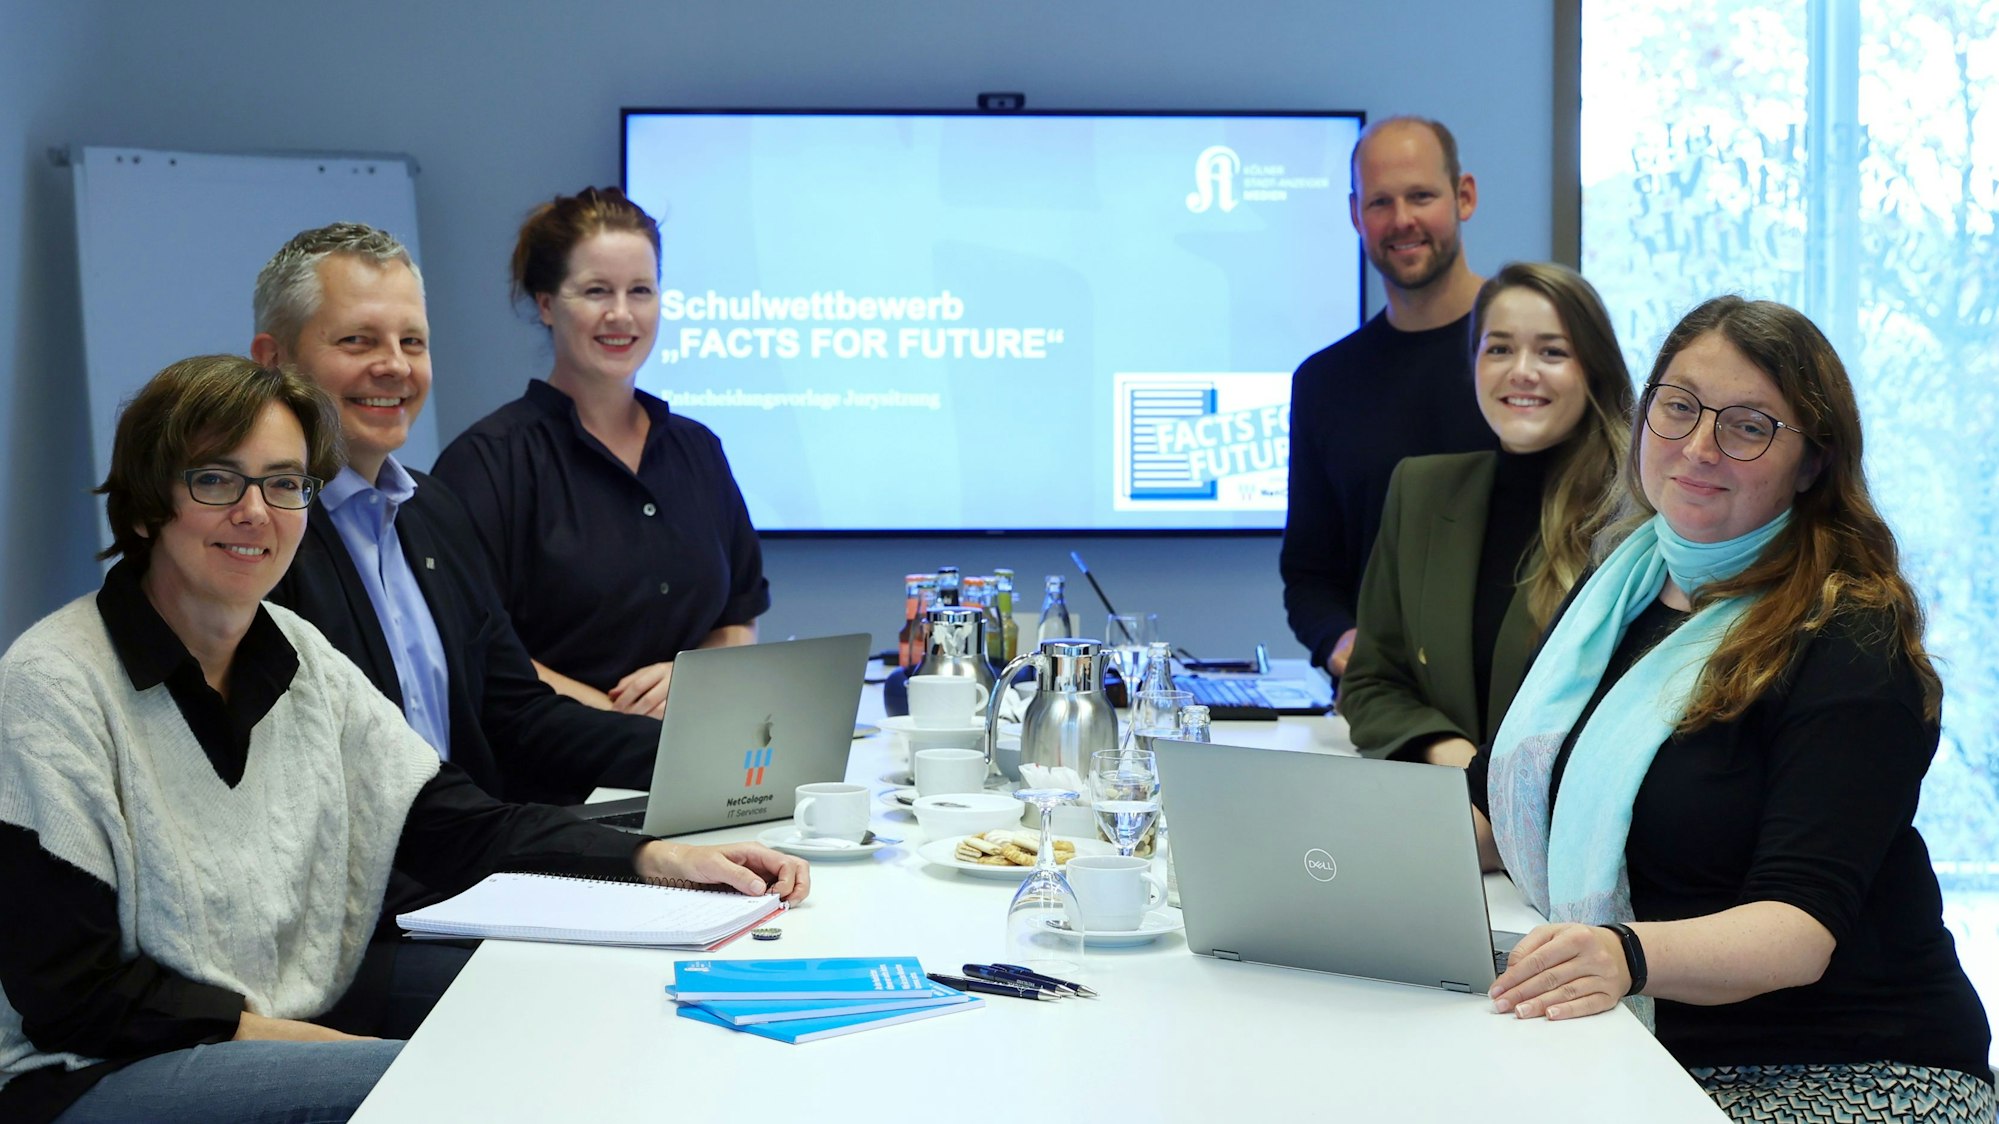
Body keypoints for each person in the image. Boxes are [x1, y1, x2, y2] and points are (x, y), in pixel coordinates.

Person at [0, 356, 808, 1124]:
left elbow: (457, 822)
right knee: (446, 1086)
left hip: (290, 1000)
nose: (256, 511)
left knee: (581, 989)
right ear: (147, 503)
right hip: (89, 1068)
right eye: (216, 479)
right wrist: (344, 1049)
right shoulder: (54, 686)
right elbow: (82, 998)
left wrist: (657, 858)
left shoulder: (296, 655)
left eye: (285, 483)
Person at [1470, 298, 1993, 1121]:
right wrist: (1343, 863)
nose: (1697, 447)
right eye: (1677, 408)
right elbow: (1502, 803)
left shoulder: (1851, 638)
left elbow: (1795, 931)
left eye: (1747, 426)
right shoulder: (1618, 593)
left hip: (1842, 1066)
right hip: (1644, 1044)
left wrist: (1622, 954)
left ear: (1813, 462)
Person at [252, 223, 658, 806]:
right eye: (358, 341)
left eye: (412, 342)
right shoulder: (254, 533)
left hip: (465, 869)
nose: (395, 366)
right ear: (274, 359)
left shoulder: (434, 510)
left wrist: (687, 752)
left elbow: (517, 715)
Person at [433, 187, 768, 720]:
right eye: (595, 291)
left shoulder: (698, 450)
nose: (622, 314)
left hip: (694, 760)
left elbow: (739, 611)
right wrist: (617, 718)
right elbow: (477, 645)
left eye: (640, 290)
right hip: (555, 780)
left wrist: (694, 682)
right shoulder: (488, 463)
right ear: (545, 304)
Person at [1342, 263, 1632, 765]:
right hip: (1439, 816)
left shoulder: (1633, 516)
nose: (1521, 370)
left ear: (1594, 370)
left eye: (1552, 351)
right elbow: (1370, 682)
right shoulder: (1421, 492)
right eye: (1499, 348)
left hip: (1568, 833)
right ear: (1474, 363)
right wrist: (1448, 753)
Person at [1281, 116, 1500, 682]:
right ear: (1356, 215)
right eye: (1380, 202)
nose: (1402, 220)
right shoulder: (1324, 383)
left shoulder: (1541, 361)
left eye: (1421, 196)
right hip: (1380, 714)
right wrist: (1342, 642)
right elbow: (1309, 576)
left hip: (1522, 714)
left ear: (1464, 197)